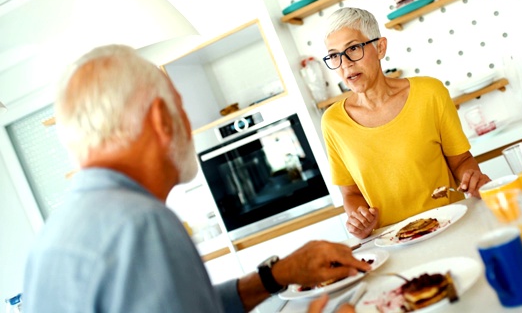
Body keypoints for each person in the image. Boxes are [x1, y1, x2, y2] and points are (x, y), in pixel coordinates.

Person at [22, 45, 369, 313]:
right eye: (180, 107)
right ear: (162, 118)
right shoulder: (142, 223)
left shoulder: (53, 235)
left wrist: (275, 275)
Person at [321, 7, 491, 239]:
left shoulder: (430, 93)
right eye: (334, 55)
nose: (345, 63)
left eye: (353, 49)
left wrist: (473, 178)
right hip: (391, 241)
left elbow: (461, 161)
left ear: (380, 47)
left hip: (452, 225)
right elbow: (350, 193)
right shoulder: (333, 122)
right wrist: (360, 220)